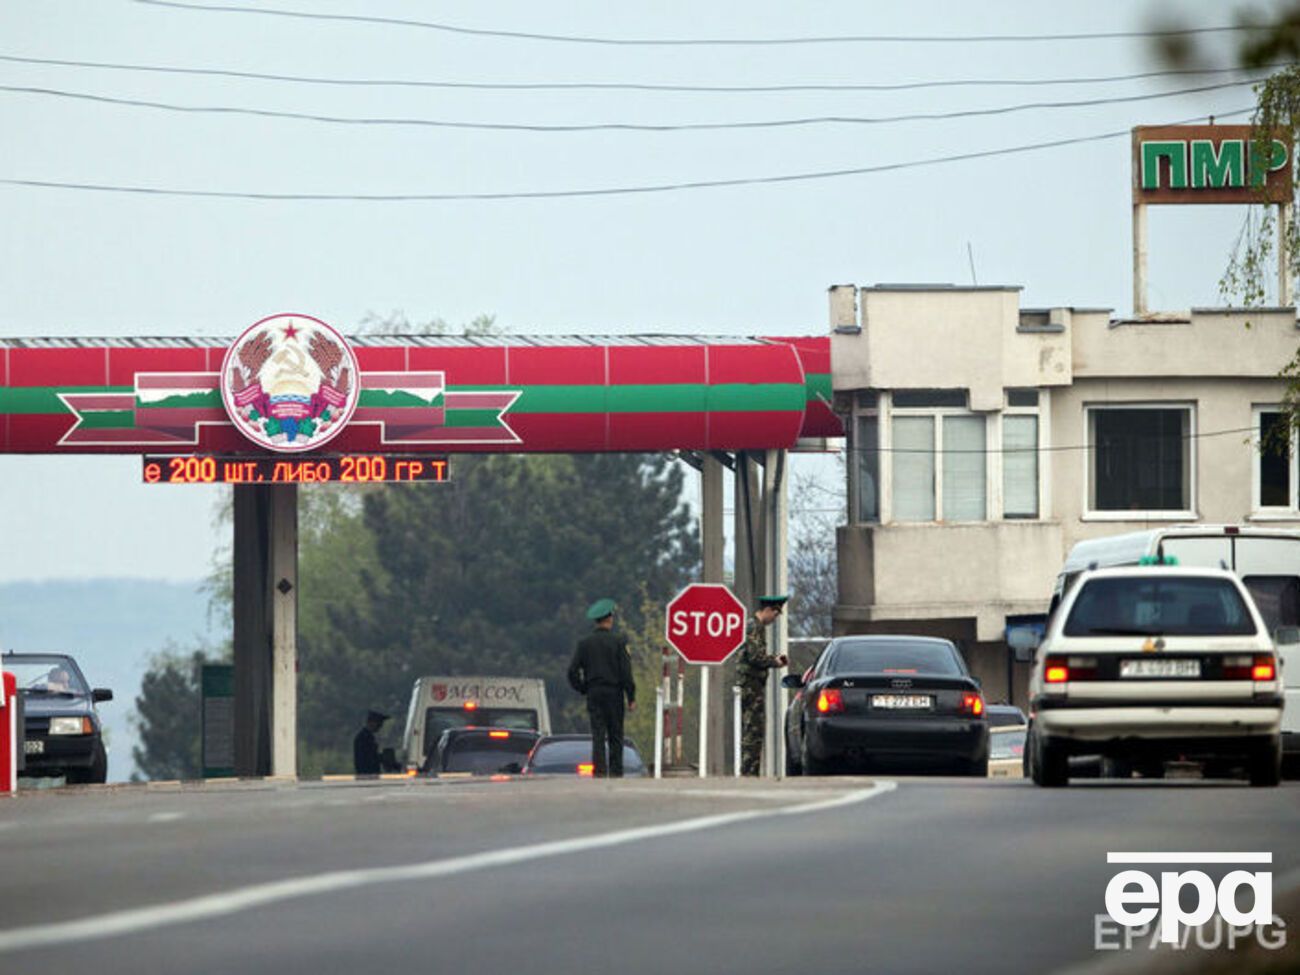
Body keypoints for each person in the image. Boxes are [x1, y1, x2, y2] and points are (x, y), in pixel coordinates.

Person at [567, 597, 637, 777]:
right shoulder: (618, 642)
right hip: (614, 693)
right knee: (616, 734)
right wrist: (631, 697)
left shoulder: (585, 644)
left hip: (594, 692)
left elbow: (572, 672)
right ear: (610, 618)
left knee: (598, 733)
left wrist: (583, 688)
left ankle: (599, 772)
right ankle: (615, 772)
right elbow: (626, 673)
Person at [737, 594, 790, 777]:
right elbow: (754, 657)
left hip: (754, 686)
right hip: (750, 687)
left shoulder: (756, 627)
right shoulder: (754, 627)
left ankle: (751, 770)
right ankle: (748, 772)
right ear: (767, 610)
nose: (774, 619)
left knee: (755, 730)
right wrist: (774, 661)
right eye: (775, 614)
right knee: (753, 731)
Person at [353, 709, 397, 775]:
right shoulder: (364, 738)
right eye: (379, 723)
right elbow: (368, 758)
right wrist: (384, 759)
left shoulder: (366, 736)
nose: (380, 726)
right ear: (371, 722)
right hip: (367, 775)